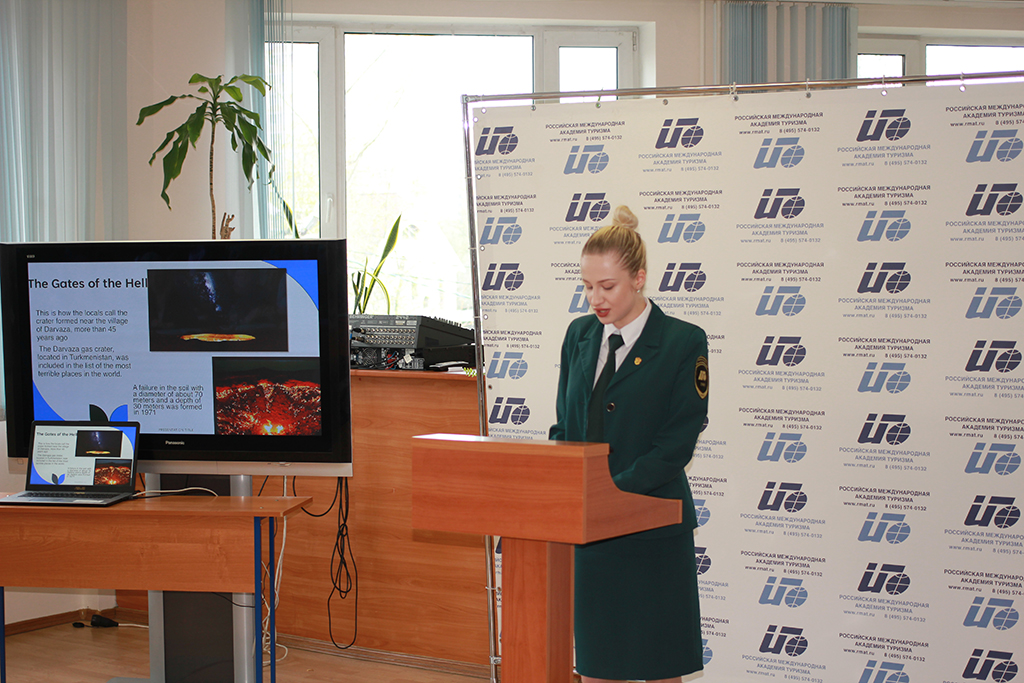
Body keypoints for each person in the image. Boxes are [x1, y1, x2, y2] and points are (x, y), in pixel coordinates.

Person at [549, 205, 709, 683]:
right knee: (598, 668)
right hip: (591, 536)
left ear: (639, 279)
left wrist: (611, 494)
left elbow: (676, 442)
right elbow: (565, 425)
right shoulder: (578, 335)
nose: (594, 299)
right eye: (587, 286)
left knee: (661, 668)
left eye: (607, 286)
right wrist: (562, 483)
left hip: (652, 530)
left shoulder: (683, 341)